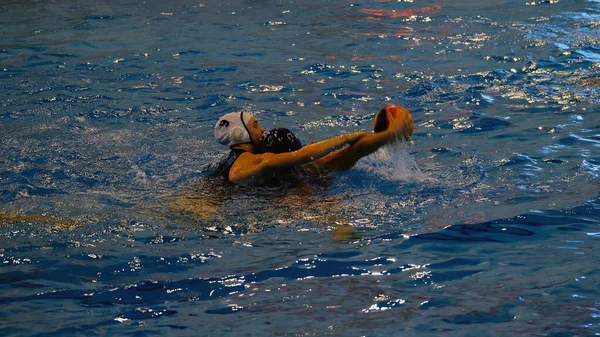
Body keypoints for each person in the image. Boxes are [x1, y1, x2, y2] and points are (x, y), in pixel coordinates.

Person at [213, 105, 414, 186]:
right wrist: (347, 137)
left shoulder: (225, 165)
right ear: (240, 133)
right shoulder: (251, 161)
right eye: (256, 126)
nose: (262, 130)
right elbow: (357, 149)